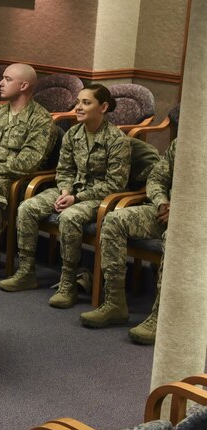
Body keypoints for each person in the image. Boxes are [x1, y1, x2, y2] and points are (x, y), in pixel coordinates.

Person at [14, 84, 131, 308]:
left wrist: (76, 198)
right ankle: (26, 271)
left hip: (98, 197)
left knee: (69, 217)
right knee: (27, 207)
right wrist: (66, 190)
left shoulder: (117, 141)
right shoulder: (73, 134)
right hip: (70, 190)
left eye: (86, 103)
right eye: (78, 102)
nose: (78, 107)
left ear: (103, 107)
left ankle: (68, 282)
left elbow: (115, 184)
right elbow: (65, 170)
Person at [0, 64, 55, 286]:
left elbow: (28, 162)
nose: (0, 83)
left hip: (20, 180)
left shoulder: (41, 120)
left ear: (24, 86)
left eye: (7, 79)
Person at [80, 138, 176, 344]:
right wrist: (162, 202)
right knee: (115, 220)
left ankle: (162, 316)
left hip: (196, 220)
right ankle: (115, 303)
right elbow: (156, 178)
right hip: (165, 211)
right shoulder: (182, 143)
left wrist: (182, 211)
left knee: (174, 238)